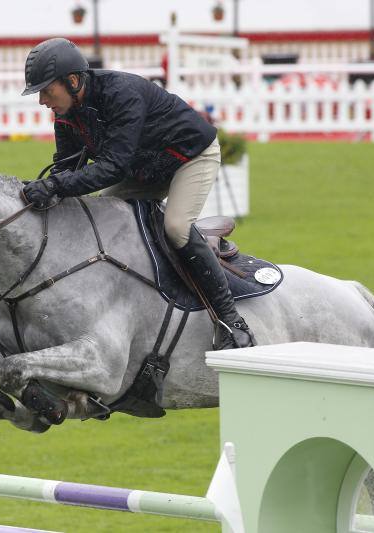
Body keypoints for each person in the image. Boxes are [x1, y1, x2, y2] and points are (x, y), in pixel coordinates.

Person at [20, 38, 254, 349]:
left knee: (176, 227)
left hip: (190, 157)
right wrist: (47, 190)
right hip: (144, 169)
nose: (42, 101)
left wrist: (56, 186)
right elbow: (67, 166)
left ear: (73, 81)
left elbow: (113, 167)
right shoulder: (66, 114)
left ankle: (230, 319)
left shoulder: (121, 94)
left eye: (47, 91)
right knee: (98, 218)